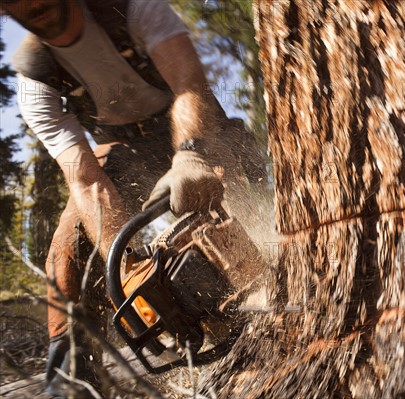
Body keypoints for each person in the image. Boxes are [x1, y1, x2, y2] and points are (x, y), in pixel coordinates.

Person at [1, 0, 262, 396]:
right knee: (67, 244)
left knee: (230, 187)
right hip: (122, 147)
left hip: (192, 122)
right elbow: (87, 181)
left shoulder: (133, 8)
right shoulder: (35, 80)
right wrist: (123, 269)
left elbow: (190, 85)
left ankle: (270, 286)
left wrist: (191, 154)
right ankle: (70, 371)